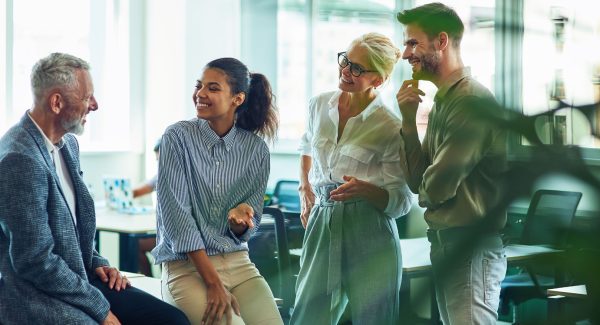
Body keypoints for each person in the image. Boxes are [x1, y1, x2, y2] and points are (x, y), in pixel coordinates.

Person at [0, 53, 190, 325]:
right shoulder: (19, 159)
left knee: (172, 320)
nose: (95, 105)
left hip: (78, 278)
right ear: (56, 102)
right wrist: (100, 309)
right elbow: (34, 261)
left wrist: (99, 262)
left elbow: (73, 235)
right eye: (87, 97)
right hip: (36, 295)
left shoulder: (68, 145)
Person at [290, 33, 414, 325]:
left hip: (369, 228)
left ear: (378, 80)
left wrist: (367, 190)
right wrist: (305, 188)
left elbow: (402, 202)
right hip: (323, 218)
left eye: (357, 69)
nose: (345, 71)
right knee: (307, 315)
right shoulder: (319, 105)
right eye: (345, 60)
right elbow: (307, 144)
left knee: (373, 319)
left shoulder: (389, 125)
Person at [396, 3, 507, 324]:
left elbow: (437, 187)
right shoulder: (444, 102)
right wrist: (407, 123)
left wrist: (427, 190)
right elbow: (419, 183)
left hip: (470, 248)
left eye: (412, 43)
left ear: (441, 42)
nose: (405, 54)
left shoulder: (470, 102)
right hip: (448, 246)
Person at [152, 57, 283, 325]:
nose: (200, 94)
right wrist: (213, 284)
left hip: (239, 265)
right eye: (199, 86)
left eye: (213, 88)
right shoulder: (177, 138)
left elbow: (250, 223)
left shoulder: (256, 150)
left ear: (237, 99)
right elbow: (177, 222)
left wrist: (240, 222)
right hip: (188, 268)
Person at [132, 138, 161, 276]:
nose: (160, 164)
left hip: (178, 237)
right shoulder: (160, 176)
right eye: (157, 161)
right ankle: (151, 280)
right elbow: (138, 191)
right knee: (135, 244)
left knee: (135, 245)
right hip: (164, 232)